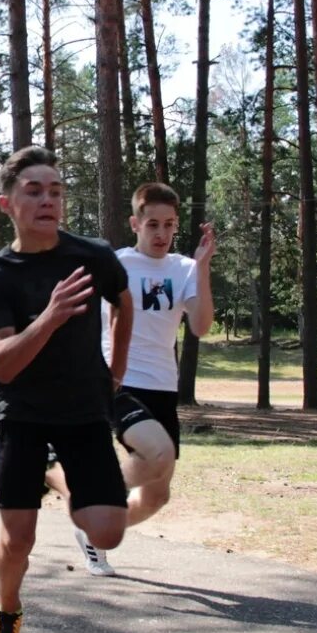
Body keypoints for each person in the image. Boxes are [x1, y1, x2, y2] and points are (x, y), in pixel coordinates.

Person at [0, 145, 132, 633]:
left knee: (107, 532)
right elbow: (2, 364)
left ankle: (52, 471)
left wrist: (118, 369)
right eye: (34, 191)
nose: (48, 200)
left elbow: (122, 303)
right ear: (7, 203)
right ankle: (7, 611)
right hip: (21, 413)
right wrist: (51, 316)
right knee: (19, 540)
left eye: (56, 191)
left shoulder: (93, 256)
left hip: (84, 407)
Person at [54, 182, 217, 576]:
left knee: (157, 494)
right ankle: (89, 496)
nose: (162, 234)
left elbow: (200, 326)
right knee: (157, 455)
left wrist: (204, 265)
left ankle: (94, 532)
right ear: (135, 223)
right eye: (153, 225)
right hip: (118, 379)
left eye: (170, 225)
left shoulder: (185, 268)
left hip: (163, 386)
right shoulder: (117, 262)